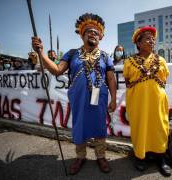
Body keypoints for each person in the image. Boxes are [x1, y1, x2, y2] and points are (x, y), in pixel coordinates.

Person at [32, 13, 116, 175]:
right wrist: (41, 53)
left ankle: (101, 156)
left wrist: (113, 99)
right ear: (82, 35)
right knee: (80, 125)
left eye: (96, 32)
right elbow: (57, 70)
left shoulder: (105, 56)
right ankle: (80, 156)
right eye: (89, 31)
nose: (93, 34)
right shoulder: (71, 53)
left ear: (101, 37)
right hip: (78, 98)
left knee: (100, 125)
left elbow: (111, 79)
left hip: (100, 97)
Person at [123, 26, 171, 177]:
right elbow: (127, 81)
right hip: (138, 102)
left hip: (157, 102)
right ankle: (140, 157)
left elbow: (164, 80)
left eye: (153, 39)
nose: (152, 41)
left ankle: (161, 158)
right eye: (148, 38)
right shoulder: (129, 61)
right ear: (138, 43)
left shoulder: (161, 60)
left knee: (160, 127)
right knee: (140, 127)